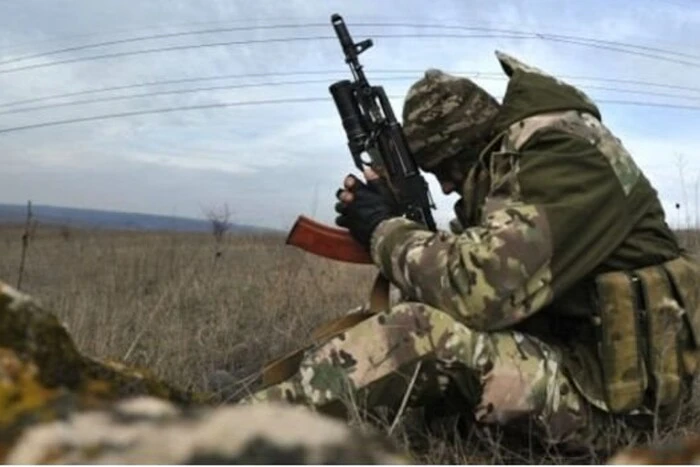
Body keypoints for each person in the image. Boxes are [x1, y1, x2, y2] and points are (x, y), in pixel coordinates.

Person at [240, 51, 700, 452]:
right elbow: (466, 267)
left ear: (473, 145)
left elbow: (475, 292)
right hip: (579, 367)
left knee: (416, 330)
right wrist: (395, 223)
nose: (444, 186)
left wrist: (382, 229)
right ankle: (275, 392)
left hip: (622, 413)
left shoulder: (564, 154)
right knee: (406, 312)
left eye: (447, 169)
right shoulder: (527, 164)